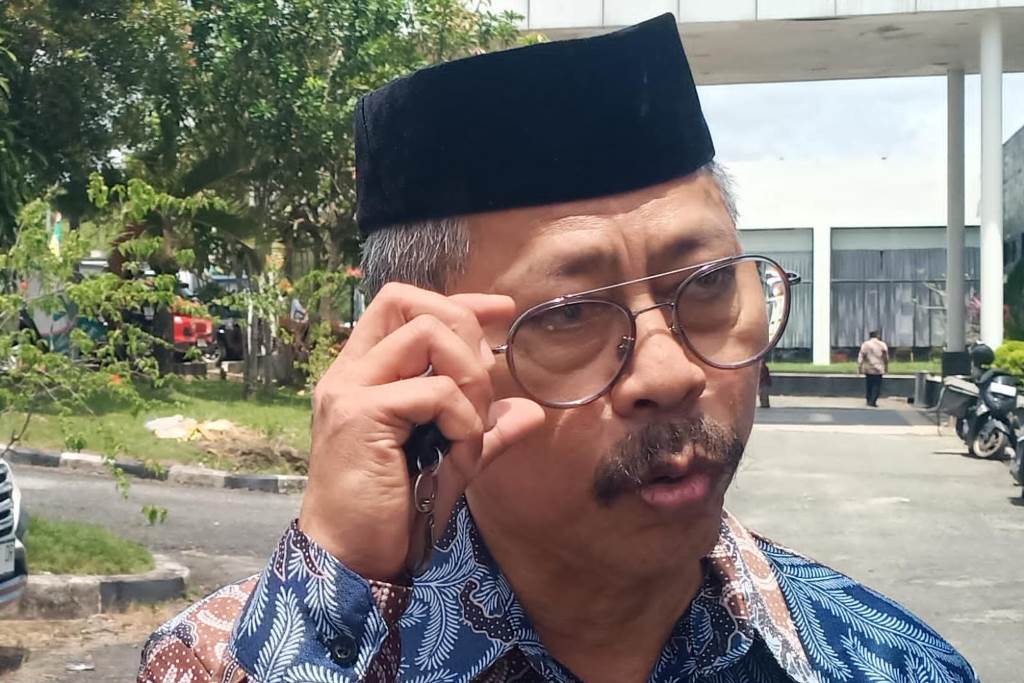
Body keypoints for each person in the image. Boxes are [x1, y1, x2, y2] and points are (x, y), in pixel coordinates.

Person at [138, 15, 976, 683]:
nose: (671, 372)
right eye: (569, 314)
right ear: (423, 362)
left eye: (709, 283)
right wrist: (328, 595)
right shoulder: (247, 656)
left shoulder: (884, 661)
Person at [858, 330, 889, 407]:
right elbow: (885, 357)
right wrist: (886, 366)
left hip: (868, 368)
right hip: (878, 368)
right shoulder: (882, 344)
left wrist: (859, 366)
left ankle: (868, 400)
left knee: (869, 384)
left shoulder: (865, 344)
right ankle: (873, 401)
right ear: (877, 335)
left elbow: (861, 355)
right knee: (877, 385)